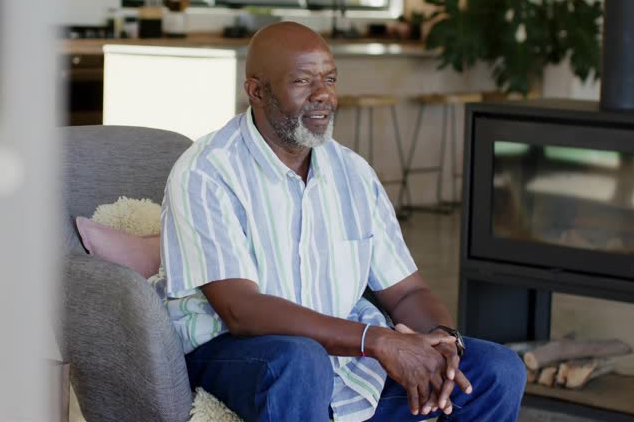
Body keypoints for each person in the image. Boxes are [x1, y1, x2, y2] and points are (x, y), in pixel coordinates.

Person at [159, 21, 526, 422]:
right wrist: (376, 341)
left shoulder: (352, 172)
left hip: (346, 352)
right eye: (302, 81)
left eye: (329, 79)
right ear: (257, 91)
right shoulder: (208, 170)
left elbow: (405, 293)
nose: (323, 95)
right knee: (301, 360)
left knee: (496, 370)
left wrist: (444, 342)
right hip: (239, 354)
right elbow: (241, 310)